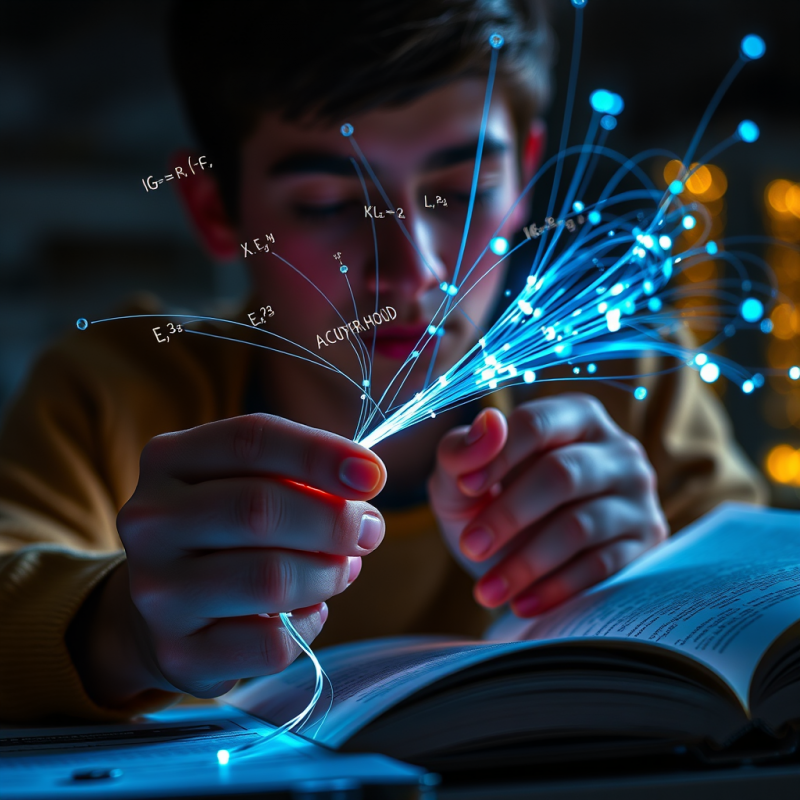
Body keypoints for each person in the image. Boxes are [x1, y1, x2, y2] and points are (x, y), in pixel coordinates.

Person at [0, 0, 765, 723]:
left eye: (462, 191)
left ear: (526, 172)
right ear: (214, 209)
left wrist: (660, 586)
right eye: (329, 203)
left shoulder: (634, 382)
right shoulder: (107, 397)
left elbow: (771, 625)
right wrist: (121, 631)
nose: (411, 269)